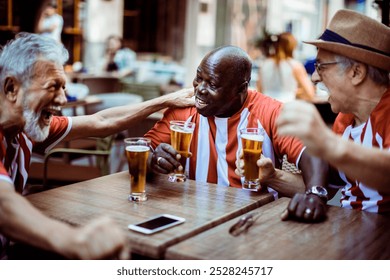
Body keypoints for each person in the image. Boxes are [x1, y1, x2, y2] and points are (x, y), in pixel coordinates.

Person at [0, 32, 194, 259]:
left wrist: (166, 100)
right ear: (12, 88)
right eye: (53, 86)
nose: (63, 99)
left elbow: (101, 121)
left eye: (64, 87)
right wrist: (75, 241)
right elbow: (4, 205)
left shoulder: (25, 127)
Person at [144, 45, 328, 217]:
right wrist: (153, 160)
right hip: (194, 214)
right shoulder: (182, 110)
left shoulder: (271, 112)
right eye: (199, 78)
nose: (200, 89)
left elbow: (313, 153)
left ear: (241, 89)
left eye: (212, 84)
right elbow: (140, 151)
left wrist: (314, 195)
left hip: (255, 218)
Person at [276, 9, 390, 217]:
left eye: (321, 67)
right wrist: (272, 177)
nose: (313, 78)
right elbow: (328, 189)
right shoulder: (345, 120)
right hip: (348, 229)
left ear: (356, 72)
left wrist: (328, 142)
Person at [257, 32, 315, 102]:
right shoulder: (295, 65)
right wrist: (293, 92)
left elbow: (259, 90)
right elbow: (309, 93)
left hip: (267, 107)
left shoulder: (264, 64)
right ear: (292, 46)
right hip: (286, 107)